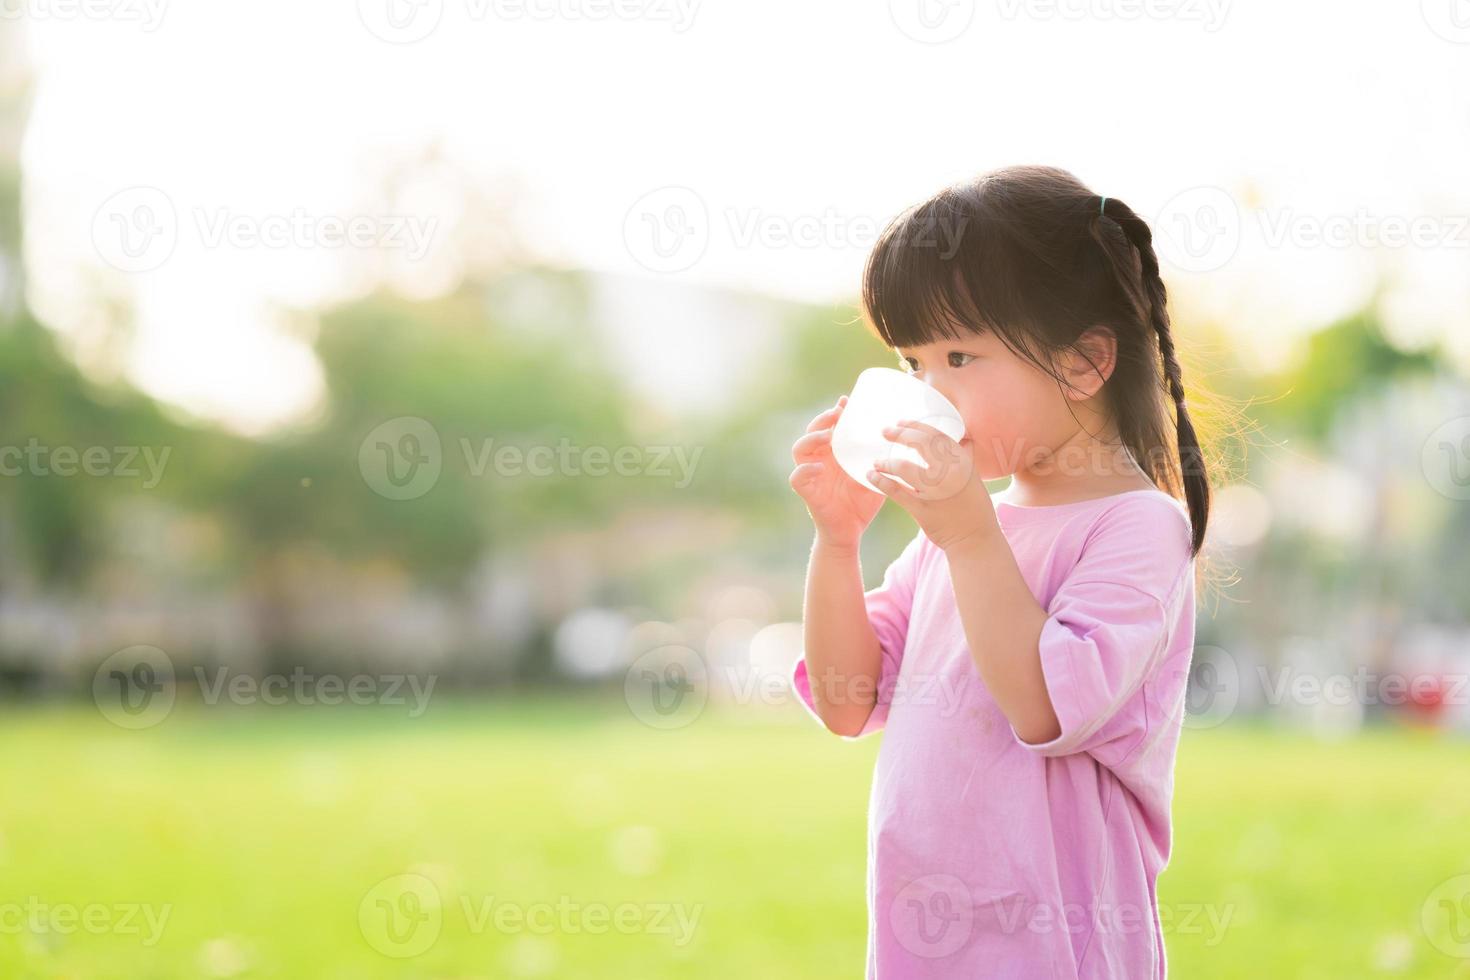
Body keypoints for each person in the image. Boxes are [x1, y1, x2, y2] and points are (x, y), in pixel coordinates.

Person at [788, 165, 1213, 979]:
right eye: (913, 364)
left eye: (958, 355)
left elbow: (1048, 705)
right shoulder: (961, 534)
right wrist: (836, 541)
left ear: (1086, 364)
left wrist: (970, 536)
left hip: (1058, 944)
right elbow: (847, 703)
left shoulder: (1136, 527)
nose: (928, 392)